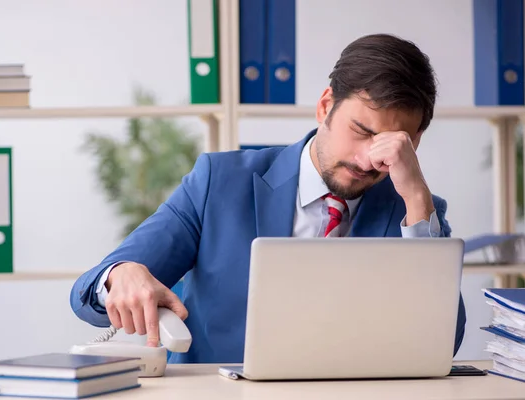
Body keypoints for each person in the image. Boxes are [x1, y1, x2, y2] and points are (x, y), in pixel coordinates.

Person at [70, 33, 467, 363]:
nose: (368, 159)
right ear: (325, 106)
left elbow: (444, 342)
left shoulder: (413, 213)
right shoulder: (219, 183)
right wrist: (120, 276)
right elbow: (86, 294)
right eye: (361, 130)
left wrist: (417, 196)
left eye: (389, 143)